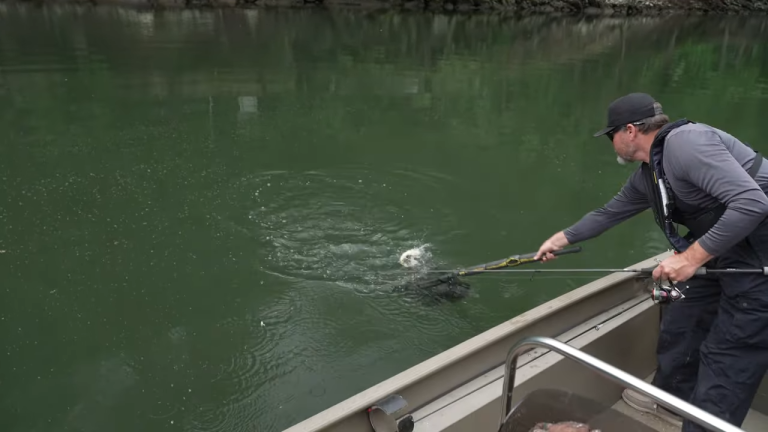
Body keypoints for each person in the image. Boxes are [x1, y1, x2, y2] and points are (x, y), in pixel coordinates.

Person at [533, 92, 768, 432]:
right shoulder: (650, 173)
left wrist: (690, 257)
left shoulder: (687, 144)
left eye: (611, 135)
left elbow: (752, 203)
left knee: (728, 354)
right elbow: (608, 214)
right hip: (728, 244)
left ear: (629, 131)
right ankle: (672, 401)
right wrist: (558, 239)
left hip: (761, 249)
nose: (611, 144)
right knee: (682, 319)